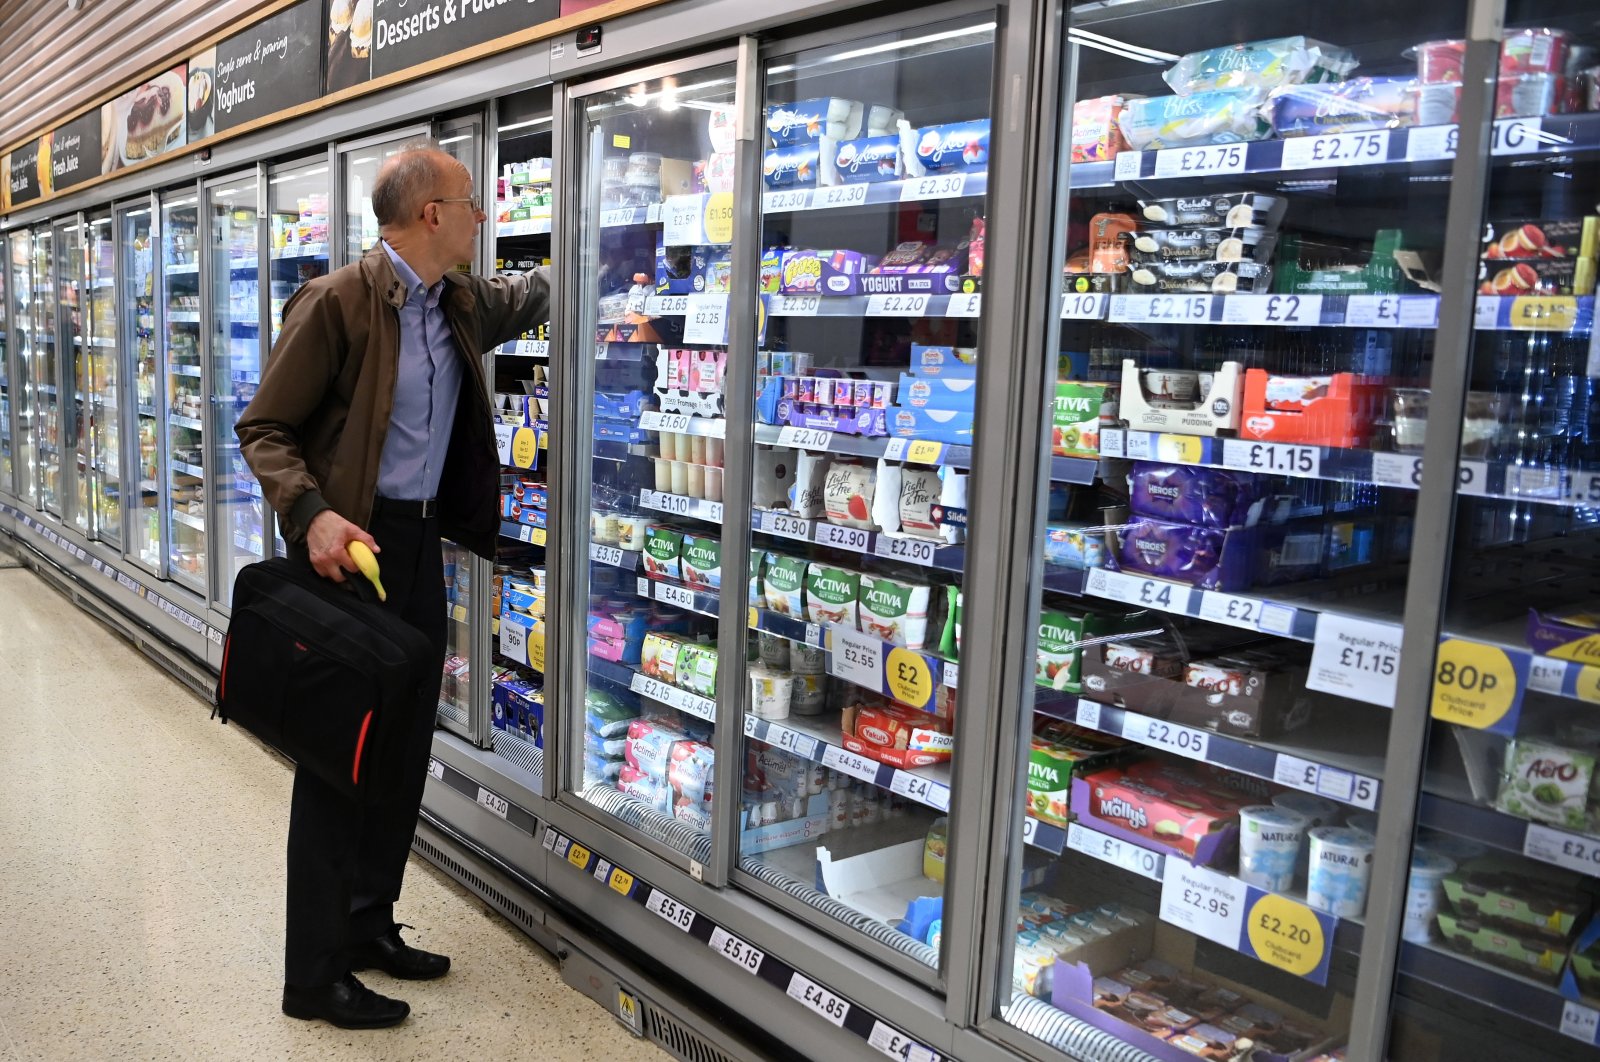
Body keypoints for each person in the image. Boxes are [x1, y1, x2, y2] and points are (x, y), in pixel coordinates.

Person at [236, 142, 550, 1029]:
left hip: (417, 550)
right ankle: (312, 976)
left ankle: (369, 924)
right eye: (469, 202)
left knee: (404, 750)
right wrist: (313, 516)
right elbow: (263, 425)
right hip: (347, 552)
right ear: (429, 215)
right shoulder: (337, 303)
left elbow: (530, 296)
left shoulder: (457, 302)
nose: (483, 217)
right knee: (342, 761)